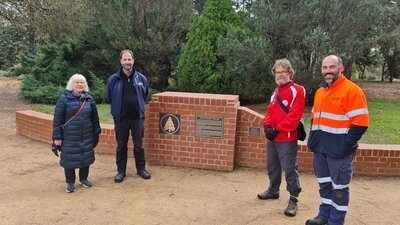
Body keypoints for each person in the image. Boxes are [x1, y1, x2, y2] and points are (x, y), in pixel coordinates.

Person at [305, 55, 369, 225]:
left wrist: (346, 146)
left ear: (341, 68)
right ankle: (323, 216)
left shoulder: (352, 90)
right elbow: (314, 118)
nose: (328, 71)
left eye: (332, 67)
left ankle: (335, 221)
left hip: (339, 152)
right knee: (325, 185)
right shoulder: (320, 91)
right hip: (320, 150)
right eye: (325, 68)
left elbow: (361, 123)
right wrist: (314, 140)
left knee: (339, 189)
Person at [257, 58, 306, 217]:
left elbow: (294, 117)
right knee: (273, 167)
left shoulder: (298, 90)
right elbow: (270, 111)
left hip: (287, 138)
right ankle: (273, 190)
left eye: (283, 71)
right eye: (277, 72)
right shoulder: (275, 92)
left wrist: (277, 129)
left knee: (290, 170)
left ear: (290, 73)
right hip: (273, 138)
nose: (279, 75)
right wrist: (266, 126)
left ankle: (293, 199)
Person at [52, 74, 101, 193]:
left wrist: (97, 131)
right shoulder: (63, 99)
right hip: (69, 135)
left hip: (87, 134)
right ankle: (70, 183)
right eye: (76, 82)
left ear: (85, 85)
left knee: (86, 157)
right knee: (70, 159)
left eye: (81, 82)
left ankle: (83, 179)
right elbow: (57, 120)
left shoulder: (89, 99)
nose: (79, 84)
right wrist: (57, 137)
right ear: (71, 85)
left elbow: (95, 118)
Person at [107, 49, 150, 182]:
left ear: (133, 60)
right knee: (121, 146)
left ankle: (141, 169)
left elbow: (145, 95)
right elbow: (110, 96)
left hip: (137, 118)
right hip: (121, 119)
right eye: (124, 59)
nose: (127, 62)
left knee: (139, 145)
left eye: (129, 59)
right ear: (121, 61)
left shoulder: (141, 78)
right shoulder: (113, 79)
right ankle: (121, 171)